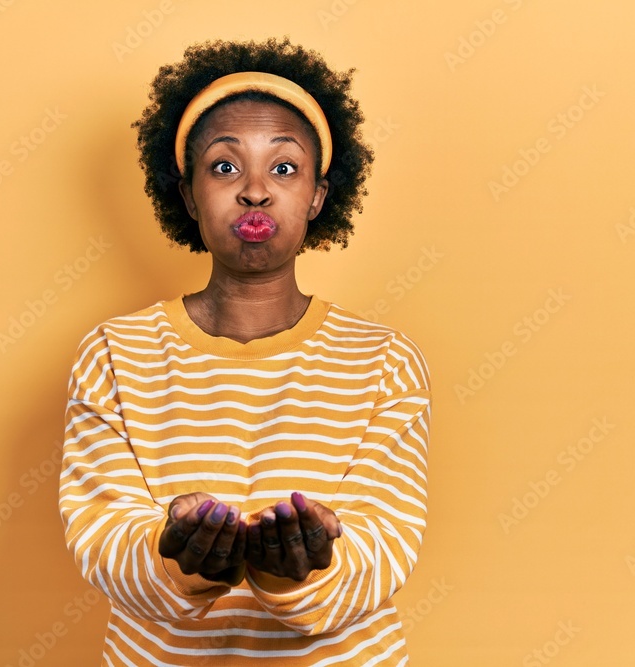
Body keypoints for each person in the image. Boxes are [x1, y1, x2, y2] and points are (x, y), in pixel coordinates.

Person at [59, 37, 431, 666]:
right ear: (187, 195)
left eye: (284, 168)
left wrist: (299, 573)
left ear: (317, 196)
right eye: (225, 167)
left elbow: (385, 551)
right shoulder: (113, 355)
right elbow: (101, 538)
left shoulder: (385, 362)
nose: (255, 191)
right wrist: (172, 555)